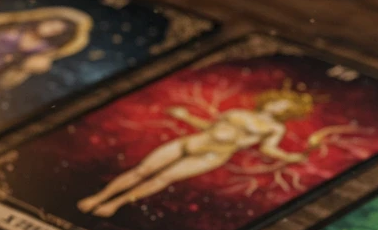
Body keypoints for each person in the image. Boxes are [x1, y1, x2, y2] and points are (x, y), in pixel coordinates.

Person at [76, 84, 314, 219]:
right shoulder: (241, 113)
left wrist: (291, 157)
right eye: (277, 101)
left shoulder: (274, 127)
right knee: (143, 169)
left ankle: (115, 204)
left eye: (284, 107)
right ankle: (99, 197)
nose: (276, 106)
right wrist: (186, 117)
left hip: (214, 154)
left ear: (288, 112)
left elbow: (268, 149)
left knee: (162, 178)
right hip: (193, 141)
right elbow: (211, 127)